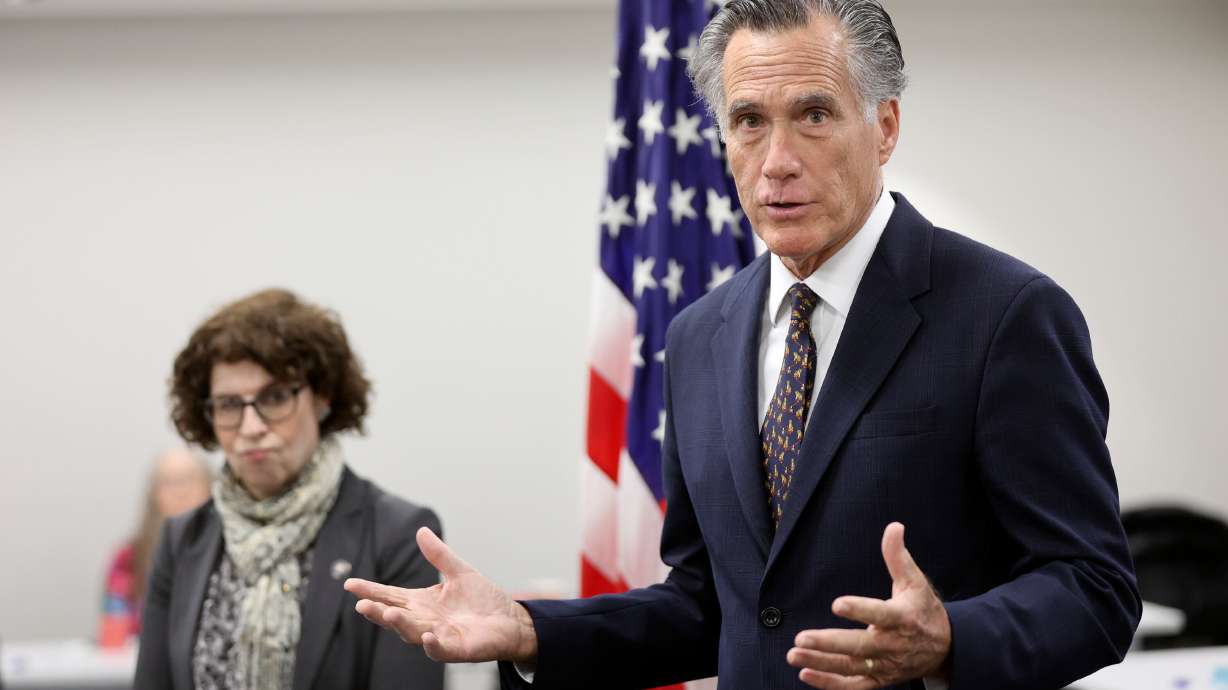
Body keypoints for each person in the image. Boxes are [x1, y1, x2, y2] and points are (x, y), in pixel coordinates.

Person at [345, 1, 1140, 689]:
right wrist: (530, 629)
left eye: (815, 115)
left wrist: (951, 641)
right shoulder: (698, 336)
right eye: (749, 122)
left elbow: (1095, 586)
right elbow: (710, 603)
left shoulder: (1007, 314)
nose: (778, 163)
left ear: (885, 126)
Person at [134, 288, 444, 690]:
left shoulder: (396, 536)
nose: (251, 427)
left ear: (321, 397)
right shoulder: (183, 539)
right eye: (229, 405)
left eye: (275, 397)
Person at [99, 447, 211, 647]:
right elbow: (113, 635)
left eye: (188, 479)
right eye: (169, 482)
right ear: (154, 494)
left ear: (210, 487)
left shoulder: (231, 552)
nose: (180, 491)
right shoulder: (128, 559)